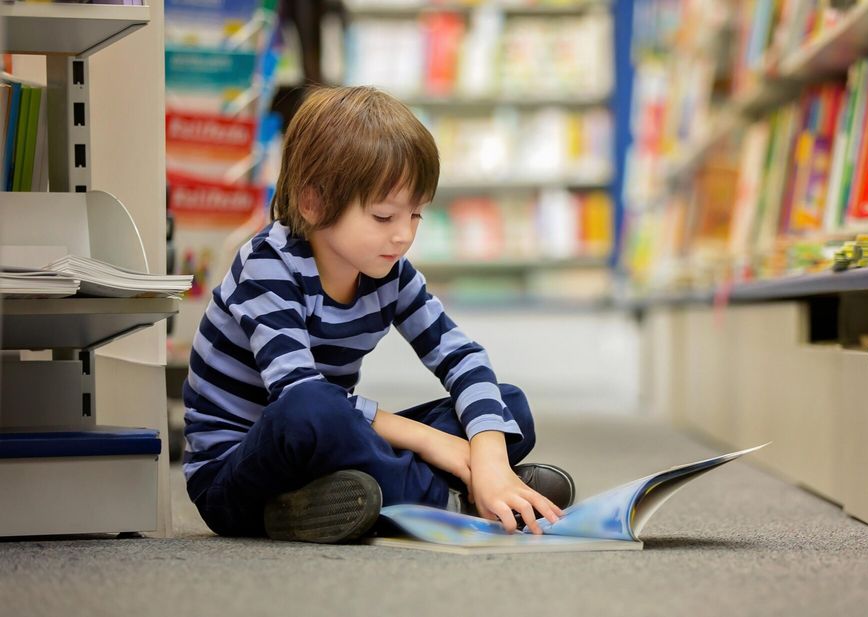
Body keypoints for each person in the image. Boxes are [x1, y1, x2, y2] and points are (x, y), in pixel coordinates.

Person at [181, 86, 575, 544]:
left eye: (416, 216)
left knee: (507, 405)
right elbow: (298, 394)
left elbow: (462, 358)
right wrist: (436, 443)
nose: (403, 236)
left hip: (331, 450)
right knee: (312, 409)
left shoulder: (390, 273)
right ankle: (454, 501)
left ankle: (357, 500)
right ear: (314, 202)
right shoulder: (267, 265)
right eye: (384, 217)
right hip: (235, 477)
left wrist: (486, 455)